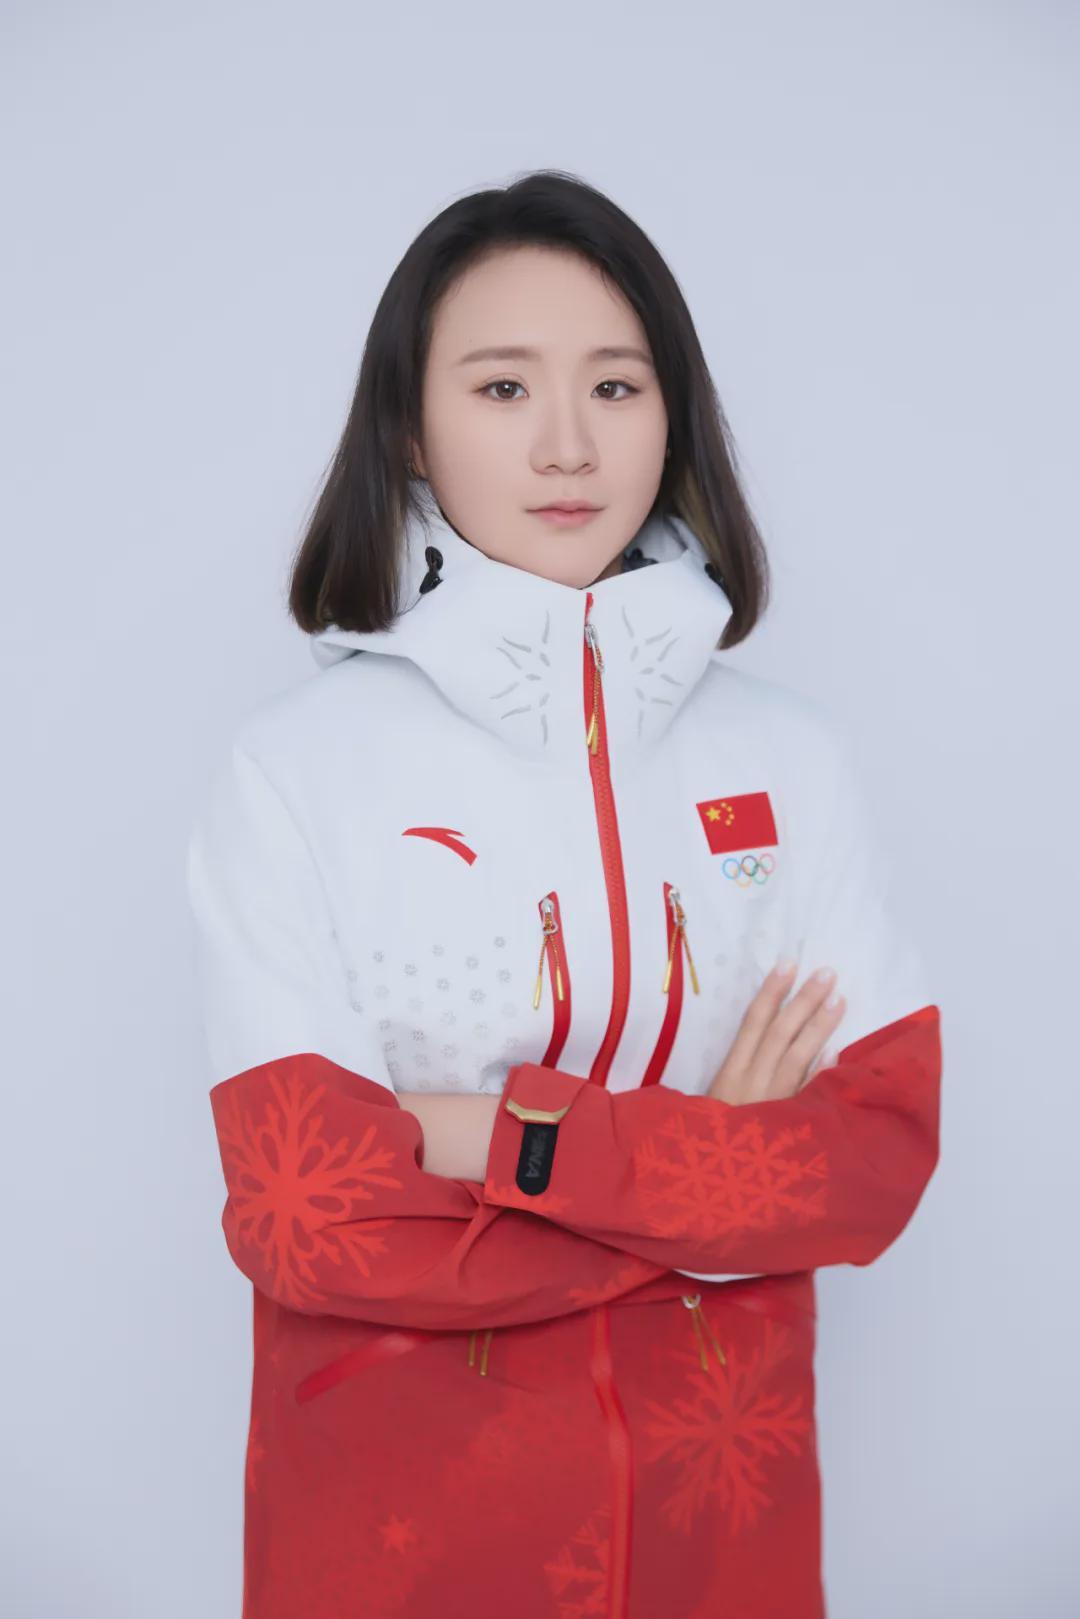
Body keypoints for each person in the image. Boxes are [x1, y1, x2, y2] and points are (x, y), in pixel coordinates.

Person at [186, 169, 942, 1619]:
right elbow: (307, 1215)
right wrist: (705, 1184)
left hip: (718, 1540)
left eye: (614, 384)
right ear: (411, 429)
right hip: (403, 1542)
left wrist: (483, 1136)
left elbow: (873, 1163)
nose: (566, 444)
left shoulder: (793, 761)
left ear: (674, 415)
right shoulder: (297, 769)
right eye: (500, 387)